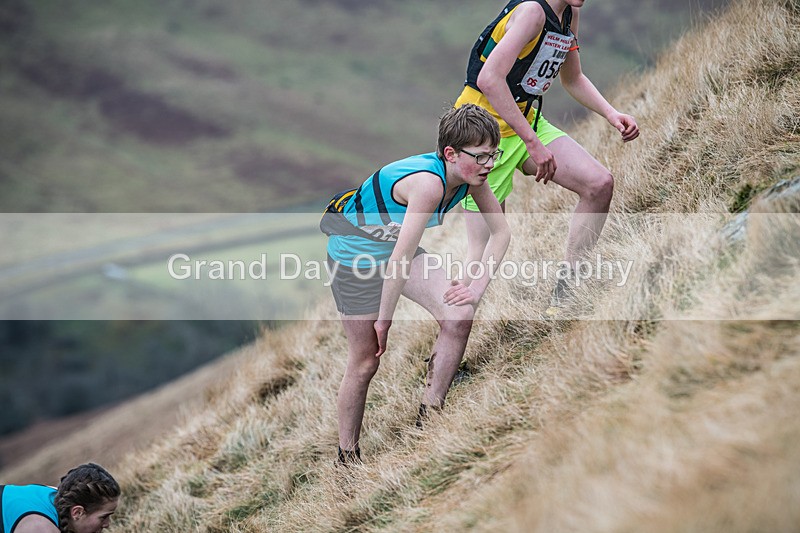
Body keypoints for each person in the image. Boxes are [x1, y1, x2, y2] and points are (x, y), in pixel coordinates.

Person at [322, 104, 511, 463]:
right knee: (365, 362)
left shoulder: (472, 178)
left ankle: (431, 415)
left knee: (459, 314)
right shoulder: (428, 184)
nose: (489, 164)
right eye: (482, 157)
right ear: (451, 154)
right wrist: (383, 322)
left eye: (493, 155)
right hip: (353, 259)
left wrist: (475, 290)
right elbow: (399, 260)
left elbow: (501, 233)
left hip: (394, 251)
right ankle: (347, 458)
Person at [455, 0, 639, 314]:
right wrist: (532, 142)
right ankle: (443, 355)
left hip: (525, 120)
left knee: (599, 184)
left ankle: (567, 295)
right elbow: (489, 79)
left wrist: (611, 113)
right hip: (480, 133)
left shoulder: (570, 13)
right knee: (482, 251)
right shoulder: (532, 13)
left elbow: (573, 78)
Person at [1, 463, 120, 533]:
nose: (107, 524)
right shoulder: (40, 528)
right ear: (77, 512)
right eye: (104, 517)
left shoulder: (63, 497)